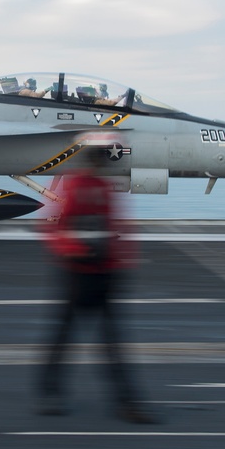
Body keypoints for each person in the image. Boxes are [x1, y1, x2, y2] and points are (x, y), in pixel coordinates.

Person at [36, 136, 157, 424]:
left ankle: (123, 402)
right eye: (99, 159)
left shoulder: (95, 188)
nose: (100, 165)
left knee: (96, 341)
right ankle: (56, 394)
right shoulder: (76, 188)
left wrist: (118, 262)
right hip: (79, 274)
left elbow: (115, 227)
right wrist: (81, 252)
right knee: (78, 340)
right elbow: (51, 227)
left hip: (98, 273)